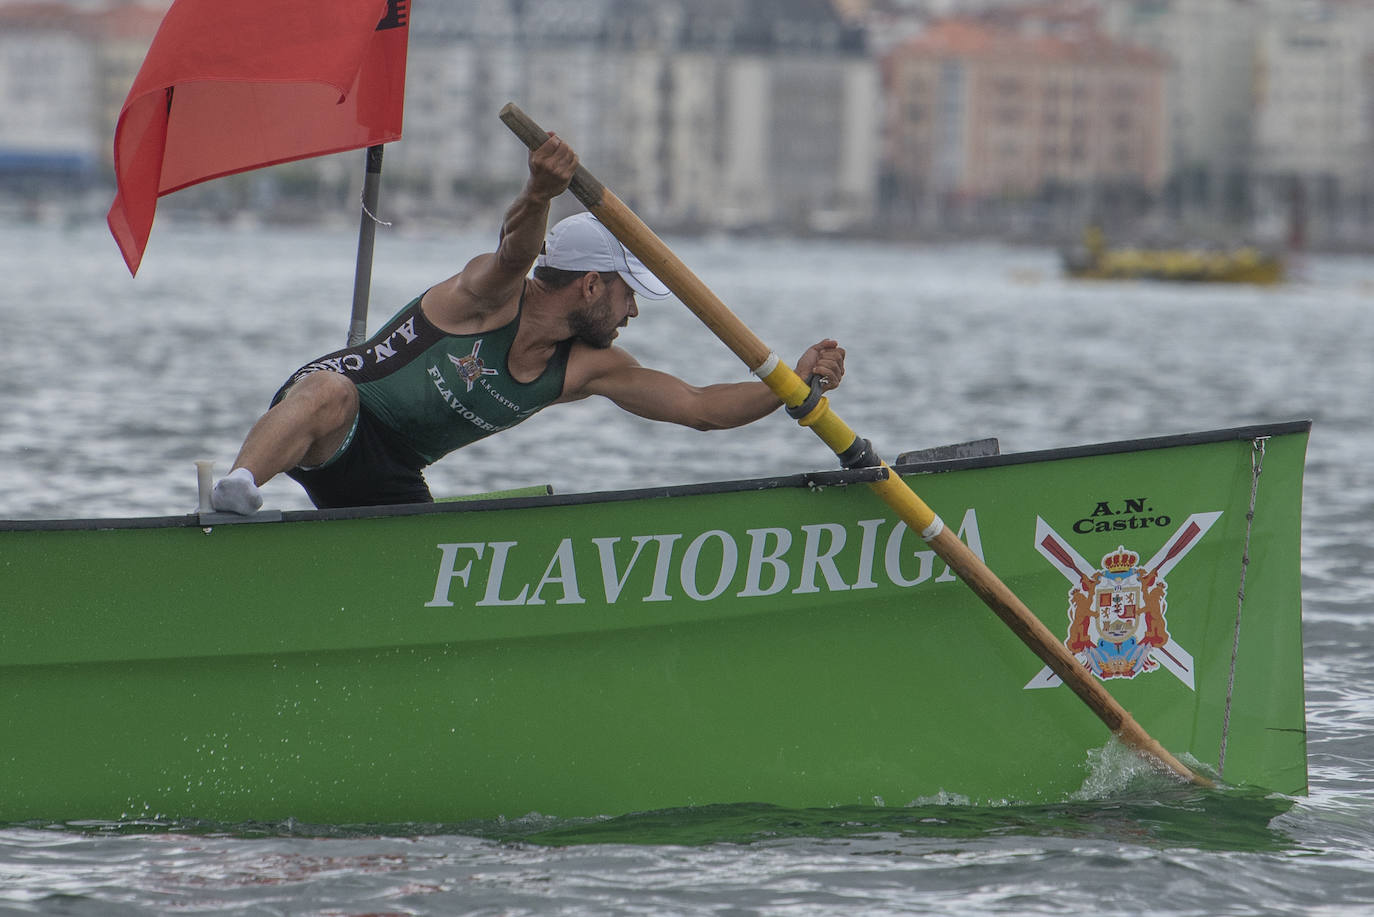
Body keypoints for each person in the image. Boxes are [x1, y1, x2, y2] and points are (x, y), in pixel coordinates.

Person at [210, 133, 846, 514]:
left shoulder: (586, 368)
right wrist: (539, 192)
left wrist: (792, 383)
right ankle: (235, 493)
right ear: (591, 284)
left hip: (392, 470)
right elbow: (517, 249)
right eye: (628, 296)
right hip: (332, 417)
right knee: (332, 388)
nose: (633, 312)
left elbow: (700, 407)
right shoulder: (488, 296)